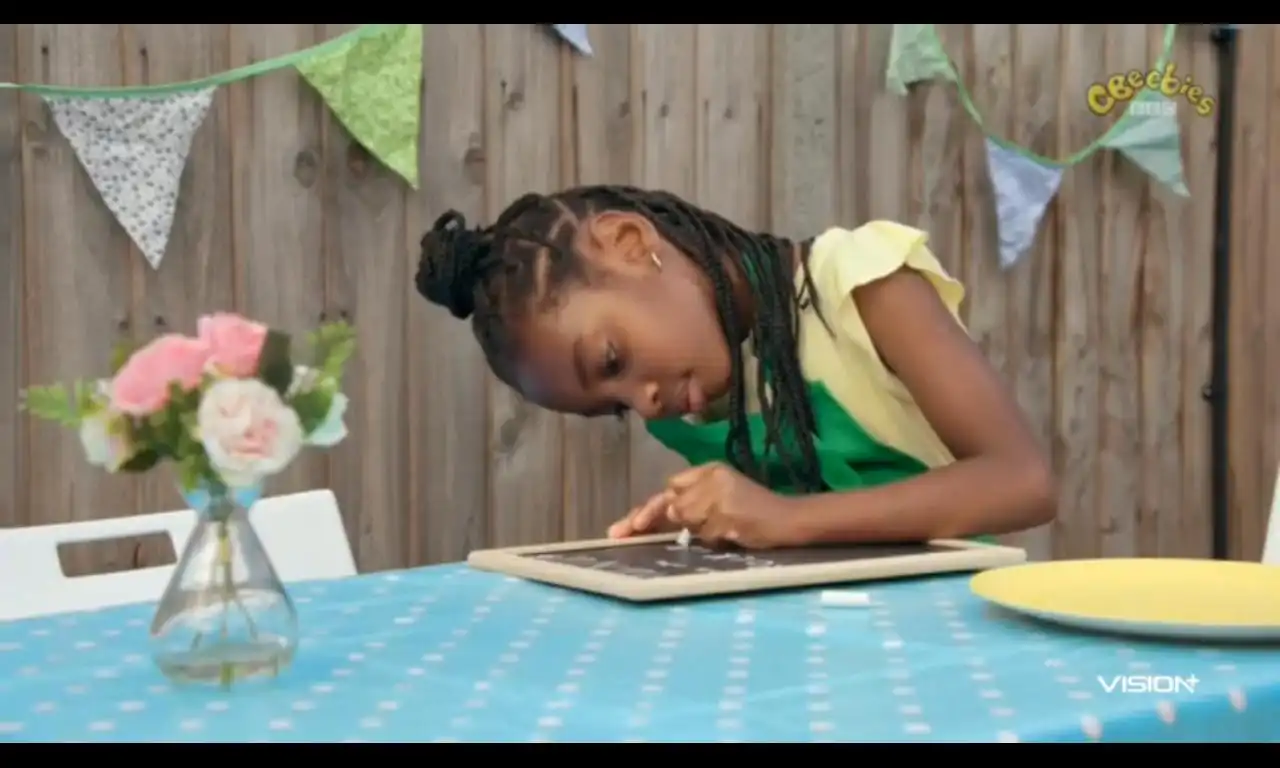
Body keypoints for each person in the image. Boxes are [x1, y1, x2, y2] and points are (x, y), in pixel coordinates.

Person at [415, 186, 1055, 549]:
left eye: (612, 360)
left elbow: (1023, 481)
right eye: (614, 406)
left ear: (630, 244)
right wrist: (710, 521)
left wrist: (784, 519)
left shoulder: (862, 285)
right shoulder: (696, 405)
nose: (645, 404)